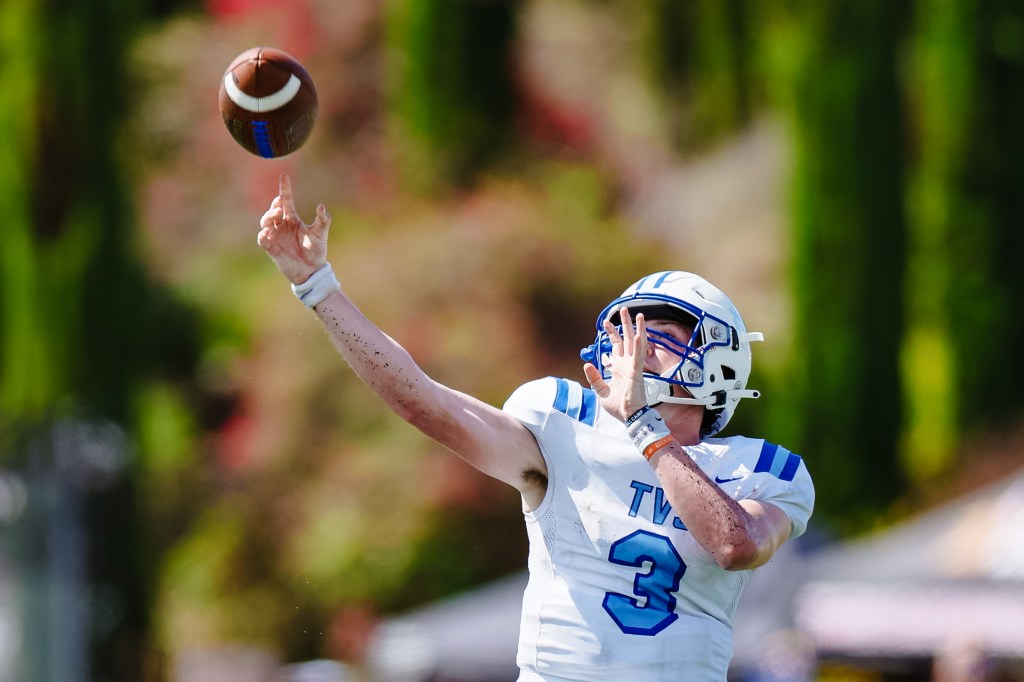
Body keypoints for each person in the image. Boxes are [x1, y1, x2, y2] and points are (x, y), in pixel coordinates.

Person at [258, 174, 815, 681]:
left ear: (719, 364)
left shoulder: (760, 470)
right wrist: (316, 285)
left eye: (660, 335)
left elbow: (735, 545)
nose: (634, 347)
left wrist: (645, 427)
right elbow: (424, 402)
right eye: (626, 332)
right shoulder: (562, 422)